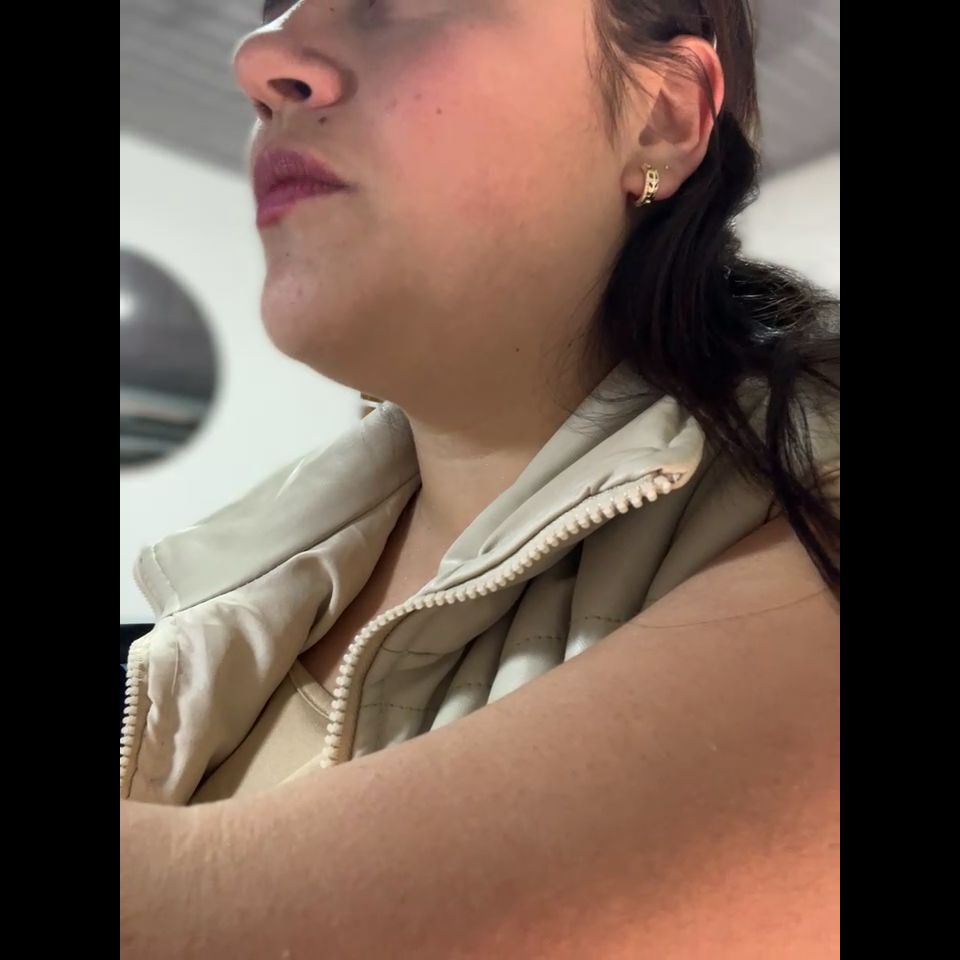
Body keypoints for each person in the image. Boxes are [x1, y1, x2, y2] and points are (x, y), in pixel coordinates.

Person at [120, 1, 840, 956]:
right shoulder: (225, 595)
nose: (262, 56)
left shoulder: (815, 490)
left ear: (662, 114)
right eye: (276, 2)